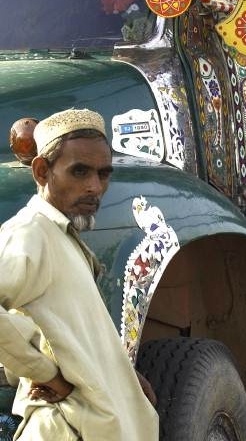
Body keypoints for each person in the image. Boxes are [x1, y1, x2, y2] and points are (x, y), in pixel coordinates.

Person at [0, 108, 159, 440]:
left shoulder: (61, 235)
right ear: (42, 171)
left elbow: (74, 329)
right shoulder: (30, 233)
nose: (94, 187)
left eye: (103, 174)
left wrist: (123, 376)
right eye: (80, 172)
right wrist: (45, 374)